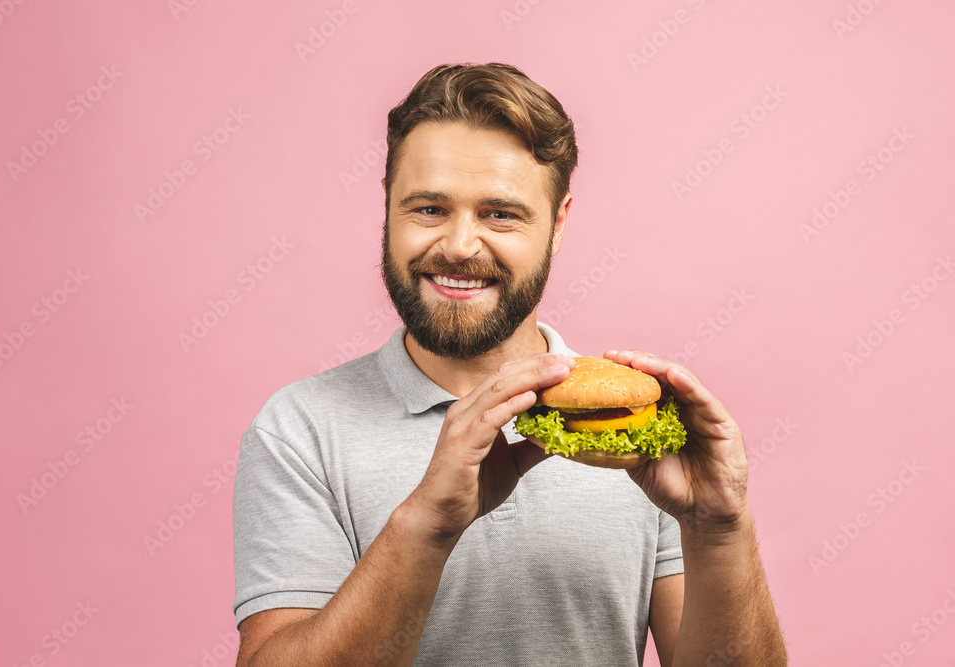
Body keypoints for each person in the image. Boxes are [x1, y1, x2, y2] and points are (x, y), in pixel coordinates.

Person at [232, 62, 787, 667]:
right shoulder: (300, 429)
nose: (460, 246)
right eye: (428, 209)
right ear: (387, 206)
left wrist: (721, 528)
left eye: (500, 214)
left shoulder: (637, 427)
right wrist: (426, 525)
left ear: (559, 223)